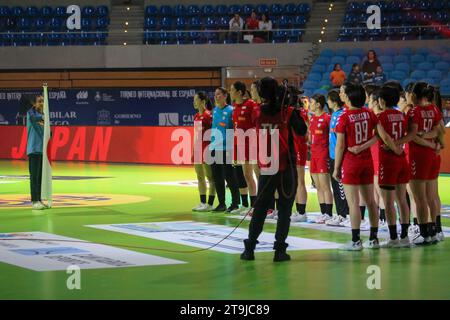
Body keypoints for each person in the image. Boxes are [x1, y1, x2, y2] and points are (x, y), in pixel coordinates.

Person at [241, 77, 307, 262]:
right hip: (286, 167)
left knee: (260, 209)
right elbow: (302, 131)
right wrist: (294, 107)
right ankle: (279, 250)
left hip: (267, 168)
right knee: (285, 210)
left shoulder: (256, 112)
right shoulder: (288, 112)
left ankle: (250, 249)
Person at [333, 82, 380, 250]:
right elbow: (378, 136)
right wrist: (363, 147)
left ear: (350, 97)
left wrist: (336, 168)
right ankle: (374, 239)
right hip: (367, 162)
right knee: (371, 202)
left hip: (351, 163)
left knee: (354, 203)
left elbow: (340, 146)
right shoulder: (369, 113)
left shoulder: (344, 117)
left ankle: (356, 241)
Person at [397, 82, 442, 245]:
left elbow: (413, 136)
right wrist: (432, 143)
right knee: (430, 196)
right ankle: (433, 231)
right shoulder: (434, 109)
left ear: (414, 95)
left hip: (417, 156)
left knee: (418, 198)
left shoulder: (414, 111)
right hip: (432, 156)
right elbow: (438, 130)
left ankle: (423, 233)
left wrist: (397, 142)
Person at [230, 81, 260, 215]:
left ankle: (258, 205)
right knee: (246, 175)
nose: (230, 92)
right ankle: (250, 205)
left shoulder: (251, 105)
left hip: (250, 144)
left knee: (255, 175)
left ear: (240, 92)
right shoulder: (235, 106)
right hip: (239, 144)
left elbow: (257, 125)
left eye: (232, 90)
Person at [209, 87, 241, 213]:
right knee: (217, 177)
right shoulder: (215, 111)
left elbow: (234, 129)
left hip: (226, 148)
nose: (216, 97)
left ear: (225, 96)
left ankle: (235, 203)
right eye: (215, 94)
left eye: (219, 94)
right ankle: (221, 203)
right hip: (214, 147)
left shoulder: (231, 111)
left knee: (230, 176)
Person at [325, 89, 350, 226]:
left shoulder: (341, 115)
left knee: (340, 186)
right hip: (332, 155)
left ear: (333, 101)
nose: (327, 102)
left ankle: (344, 214)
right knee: (335, 186)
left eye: (328, 99)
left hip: (339, 155)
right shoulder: (334, 114)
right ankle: (340, 213)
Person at [308, 94, 333, 224]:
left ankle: (329, 213)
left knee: (325, 186)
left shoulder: (327, 118)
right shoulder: (312, 119)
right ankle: (323, 213)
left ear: (318, 104)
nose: (309, 105)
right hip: (314, 155)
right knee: (318, 186)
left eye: (311, 102)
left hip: (323, 155)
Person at [191, 91, 216, 212]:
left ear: (202, 101)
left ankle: (210, 204)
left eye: (196, 100)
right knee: (199, 176)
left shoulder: (209, 115)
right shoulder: (196, 116)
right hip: (198, 149)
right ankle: (202, 202)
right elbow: (196, 135)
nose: (194, 102)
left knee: (210, 177)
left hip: (207, 148)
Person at [291, 87, 309, 222]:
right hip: (293, 148)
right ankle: (298, 211)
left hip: (298, 147)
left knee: (300, 180)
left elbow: (305, 132)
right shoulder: (292, 112)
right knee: (294, 181)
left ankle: (302, 212)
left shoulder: (299, 113)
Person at [27, 95, 47, 210]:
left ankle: (39, 200)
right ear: (34, 104)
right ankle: (34, 201)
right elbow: (35, 120)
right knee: (34, 177)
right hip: (33, 149)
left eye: (43, 101)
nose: (41, 103)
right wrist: (46, 118)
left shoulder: (43, 117)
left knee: (40, 177)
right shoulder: (31, 113)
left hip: (41, 151)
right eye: (39, 101)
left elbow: (46, 133)